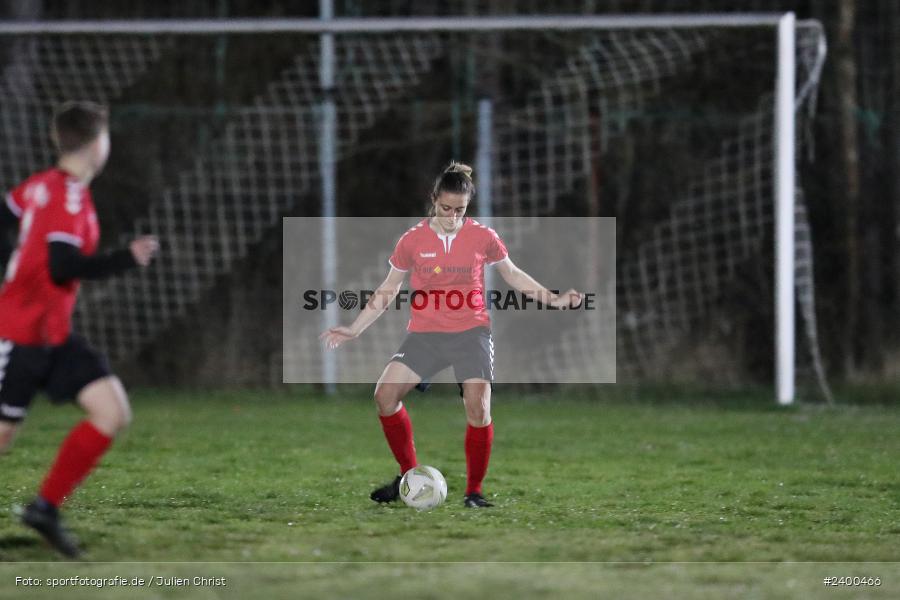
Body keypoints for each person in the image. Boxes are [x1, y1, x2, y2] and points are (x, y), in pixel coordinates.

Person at [320, 161, 583, 508]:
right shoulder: (412, 240)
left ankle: (474, 492)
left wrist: (554, 298)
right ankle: (408, 477)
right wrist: (354, 328)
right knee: (384, 396)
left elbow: (513, 274)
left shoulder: (482, 236)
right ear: (433, 200)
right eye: (446, 208)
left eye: (460, 209)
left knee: (479, 408)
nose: (452, 216)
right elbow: (387, 289)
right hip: (425, 335)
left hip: (471, 333)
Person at [0, 101, 158, 557]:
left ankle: (44, 509)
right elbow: (62, 264)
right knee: (4, 436)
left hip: (53, 335)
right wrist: (126, 258)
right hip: (20, 337)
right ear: (96, 145)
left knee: (111, 411)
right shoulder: (65, 195)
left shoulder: (42, 186)